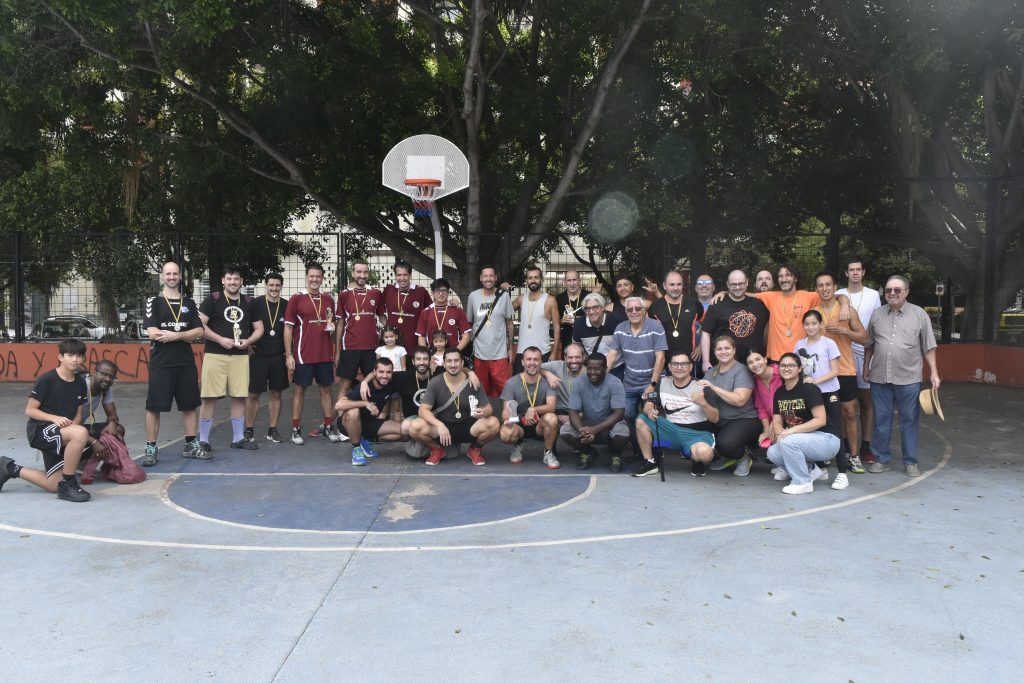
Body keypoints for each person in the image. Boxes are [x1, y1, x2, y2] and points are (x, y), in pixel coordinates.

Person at [863, 275, 940, 478]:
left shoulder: (920, 315)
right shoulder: (877, 315)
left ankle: (910, 462)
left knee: (909, 421)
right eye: (888, 290)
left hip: (909, 379)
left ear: (906, 291)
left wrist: (934, 372)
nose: (892, 294)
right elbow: (869, 345)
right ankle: (881, 459)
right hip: (879, 377)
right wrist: (865, 367)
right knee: (881, 421)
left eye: (897, 290)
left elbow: (929, 346)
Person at [1, 339, 92, 502]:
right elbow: (30, 410)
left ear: (83, 359)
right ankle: (69, 484)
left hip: (63, 432)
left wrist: (73, 431)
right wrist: (55, 419)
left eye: (79, 356)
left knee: (53, 485)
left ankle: (9, 468)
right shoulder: (47, 379)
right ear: (60, 357)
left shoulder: (80, 382)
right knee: (80, 433)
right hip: (41, 430)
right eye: (70, 355)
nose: (74, 360)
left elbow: (78, 414)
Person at [143, 261, 206, 466]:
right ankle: (151, 448)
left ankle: (191, 444)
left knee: (189, 405)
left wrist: (175, 336)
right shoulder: (154, 302)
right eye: (168, 274)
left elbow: (199, 332)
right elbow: (152, 332)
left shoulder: (189, 303)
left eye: (175, 273)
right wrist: (184, 335)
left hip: (185, 362)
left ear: (180, 276)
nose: (171, 277)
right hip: (161, 363)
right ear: (162, 276)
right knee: (154, 407)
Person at [198, 265, 264, 453]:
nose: (233, 282)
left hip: (240, 356)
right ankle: (203, 440)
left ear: (241, 281)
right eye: (229, 278)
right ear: (223, 281)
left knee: (239, 396)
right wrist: (219, 339)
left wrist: (248, 341)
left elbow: (259, 328)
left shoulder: (249, 302)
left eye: (236, 279)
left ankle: (238, 438)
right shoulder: (213, 299)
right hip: (214, 354)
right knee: (209, 397)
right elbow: (200, 326)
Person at [283, 262, 344, 445]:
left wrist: (332, 330)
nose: (315, 279)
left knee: (326, 390)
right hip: (303, 355)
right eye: (312, 276)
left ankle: (327, 426)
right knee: (299, 391)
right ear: (307, 277)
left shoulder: (328, 299)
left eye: (318, 276)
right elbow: (287, 328)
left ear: (322, 278)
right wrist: (289, 355)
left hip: (325, 354)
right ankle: (295, 428)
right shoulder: (296, 299)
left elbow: (330, 326)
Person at [815, 270, 869, 473]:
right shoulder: (814, 312)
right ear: (816, 289)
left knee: (848, 413)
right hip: (823, 373)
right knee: (826, 415)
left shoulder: (847, 310)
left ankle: (854, 456)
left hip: (845, 370)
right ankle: (827, 454)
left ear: (835, 287)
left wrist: (845, 331)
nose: (825, 288)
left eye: (828, 284)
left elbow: (866, 338)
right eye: (820, 285)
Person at [767, 352, 842, 494]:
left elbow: (821, 420)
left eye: (791, 365)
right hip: (800, 439)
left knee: (788, 442)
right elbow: (777, 421)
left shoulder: (808, 389)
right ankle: (812, 471)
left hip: (827, 440)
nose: (786, 368)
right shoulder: (779, 392)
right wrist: (780, 435)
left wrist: (791, 431)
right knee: (773, 453)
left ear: (800, 369)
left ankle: (802, 482)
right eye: (783, 365)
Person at [409, 348, 500, 466]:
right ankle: (437, 449)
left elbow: (488, 408)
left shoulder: (473, 381)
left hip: (469, 425)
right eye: (449, 361)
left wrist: (484, 412)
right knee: (415, 427)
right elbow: (423, 410)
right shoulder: (436, 382)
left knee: (494, 423)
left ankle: (475, 449)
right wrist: (439, 425)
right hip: (443, 426)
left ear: (462, 363)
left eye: (456, 361)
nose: (453, 365)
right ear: (444, 363)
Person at [632, 352, 716, 477]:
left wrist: (703, 403)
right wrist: (648, 406)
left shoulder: (701, 386)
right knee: (641, 420)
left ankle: (696, 459)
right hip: (670, 433)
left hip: (696, 435)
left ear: (691, 367)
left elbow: (715, 418)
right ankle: (649, 462)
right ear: (670, 367)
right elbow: (649, 401)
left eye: (684, 364)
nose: (679, 367)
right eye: (675, 364)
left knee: (704, 454)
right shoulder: (663, 383)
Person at [605, 296, 668, 456]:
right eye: (629, 309)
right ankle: (639, 449)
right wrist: (601, 376)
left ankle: (655, 450)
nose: (634, 312)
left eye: (637, 308)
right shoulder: (620, 328)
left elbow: (661, 358)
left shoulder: (655, 327)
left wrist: (652, 384)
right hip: (630, 382)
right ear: (625, 312)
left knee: (652, 413)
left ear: (644, 310)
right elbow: (611, 356)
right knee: (626, 415)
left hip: (652, 381)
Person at [794, 309, 847, 489]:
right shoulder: (799, 344)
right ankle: (821, 468)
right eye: (807, 324)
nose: (810, 327)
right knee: (815, 430)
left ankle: (842, 472)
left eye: (814, 323)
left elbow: (835, 371)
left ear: (821, 325)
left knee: (834, 430)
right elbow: (797, 370)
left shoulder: (829, 343)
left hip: (828, 392)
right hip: (810, 394)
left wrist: (816, 381)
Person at [836, 256, 883, 463]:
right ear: (846, 273)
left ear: (863, 273)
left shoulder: (873, 295)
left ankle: (866, 445)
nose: (855, 273)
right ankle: (845, 443)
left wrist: (873, 350)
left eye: (858, 269)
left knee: (866, 400)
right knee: (844, 403)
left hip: (864, 349)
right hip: (842, 351)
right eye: (851, 269)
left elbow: (876, 325)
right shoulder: (838, 294)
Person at [752, 263, 849, 361]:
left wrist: (845, 305)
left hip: (800, 358)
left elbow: (836, 295)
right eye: (780, 276)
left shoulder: (808, 296)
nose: (784, 279)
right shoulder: (770, 297)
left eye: (788, 275)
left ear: (796, 278)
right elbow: (746, 295)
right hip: (775, 359)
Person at [698, 335, 761, 477]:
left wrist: (713, 387)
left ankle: (743, 457)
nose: (723, 351)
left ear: (734, 350)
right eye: (719, 349)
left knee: (725, 444)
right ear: (714, 352)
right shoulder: (710, 372)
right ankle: (729, 456)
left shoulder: (741, 370)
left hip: (744, 419)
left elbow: (740, 400)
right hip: (719, 421)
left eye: (727, 348)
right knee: (698, 435)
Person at [559, 352, 630, 472]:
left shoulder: (615, 382)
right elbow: (573, 412)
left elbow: (619, 413)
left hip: (608, 426)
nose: (592, 372)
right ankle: (587, 452)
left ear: (605, 368)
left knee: (622, 433)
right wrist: (581, 430)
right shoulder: (578, 383)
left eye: (597, 369)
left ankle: (615, 454)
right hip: (586, 425)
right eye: (590, 368)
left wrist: (595, 430)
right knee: (565, 431)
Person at [360, 347, 432, 458]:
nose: (421, 362)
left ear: (430, 361)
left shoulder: (438, 373)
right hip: (413, 422)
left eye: (425, 359)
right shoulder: (403, 377)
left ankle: (434, 445)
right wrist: (364, 382)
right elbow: (381, 374)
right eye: (418, 359)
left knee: (451, 454)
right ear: (413, 361)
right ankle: (371, 438)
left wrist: (470, 374)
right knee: (416, 453)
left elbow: (460, 370)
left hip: (434, 419)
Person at [336, 358, 406, 466]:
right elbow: (339, 405)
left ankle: (367, 439)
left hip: (370, 424)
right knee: (352, 412)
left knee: (406, 432)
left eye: (388, 372)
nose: (385, 375)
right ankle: (356, 448)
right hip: (350, 424)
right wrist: (365, 403)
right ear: (374, 372)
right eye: (381, 372)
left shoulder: (391, 382)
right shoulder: (364, 388)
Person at [245, 272, 289, 444]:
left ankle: (273, 430)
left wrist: (289, 352)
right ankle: (249, 430)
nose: (274, 288)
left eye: (277, 285)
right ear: (265, 285)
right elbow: (244, 324)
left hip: (278, 356)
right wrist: (246, 342)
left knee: (276, 394)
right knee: (253, 394)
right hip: (258, 355)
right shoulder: (255, 304)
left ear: (281, 286)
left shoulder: (286, 305)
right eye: (271, 285)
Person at [499, 346, 560, 468]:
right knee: (505, 433)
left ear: (541, 362)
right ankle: (518, 444)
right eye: (529, 359)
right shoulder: (512, 382)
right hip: (519, 424)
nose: (532, 363)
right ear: (522, 362)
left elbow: (551, 407)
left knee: (552, 418)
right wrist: (509, 420)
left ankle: (548, 452)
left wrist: (533, 409)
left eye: (536, 359)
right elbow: (506, 410)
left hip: (539, 424)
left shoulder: (548, 381)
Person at [700, 270, 769, 375]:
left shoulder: (760, 305)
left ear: (746, 282)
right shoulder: (717, 305)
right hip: (723, 364)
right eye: (733, 284)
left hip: (753, 365)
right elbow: (705, 333)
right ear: (728, 285)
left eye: (740, 283)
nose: (737, 287)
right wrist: (705, 361)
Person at [336, 259, 385, 398]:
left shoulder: (375, 293)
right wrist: (338, 350)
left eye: (365, 272)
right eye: (359, 272)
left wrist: (394, 328)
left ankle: (371, 417)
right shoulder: (344, 294)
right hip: (350, 346)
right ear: (353, 273)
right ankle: (341, 419)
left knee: (374, 383)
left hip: (371, 347)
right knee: (345, 385)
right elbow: (340, 322)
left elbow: (381, 316)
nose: (362, 275)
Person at [466, 265, 515, 397]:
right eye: (485, 276)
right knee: (480, 390)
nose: (488, 279)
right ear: (481, 278)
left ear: (496, 278)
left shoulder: (503, 296)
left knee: (504, 390)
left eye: (491, 276)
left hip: (499, 353)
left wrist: (510, 348)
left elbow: (509, 324)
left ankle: (503, 416)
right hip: (479, 354)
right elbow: (469, 324)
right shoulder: (473, 296)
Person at [512, 266, 561, 371]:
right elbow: (504, 310)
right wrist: (502, 292)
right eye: (530, 278)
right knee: (520, 385)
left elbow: (557, 327)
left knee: (543, 385)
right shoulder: (521, 299)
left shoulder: (550, 300)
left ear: (542, 280)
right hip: (522, 352)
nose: (533, 280)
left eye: (536, 277)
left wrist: (555, 352)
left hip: (542, 351)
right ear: (526, 280)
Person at [648, 270, 702, 363]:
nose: (676, 288)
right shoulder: (655, 307)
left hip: (689, 360)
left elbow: (707, 326)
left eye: (679, 284)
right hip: (664, 361)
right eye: (672, 285)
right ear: (665, 286)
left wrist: (700, 346)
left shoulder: (694, 303)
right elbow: (649, 334)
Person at [382, 260, 432, 358]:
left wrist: (451, 302)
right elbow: (377, 307)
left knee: (410, 372)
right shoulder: (389, 289)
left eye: (405, 275)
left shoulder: (420, 291)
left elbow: (432, 312)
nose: (402, 278)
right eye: (399, 275)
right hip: (392, 344)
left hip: (413, 343)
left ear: (410, 275)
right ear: (395, 275)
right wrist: (388, 325)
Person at [572, 293, 626, 377]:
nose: (591, 311)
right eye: (588, 308)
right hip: (592, 369)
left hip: (617, 368)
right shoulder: (579, 324)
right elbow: (577, 347)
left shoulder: (617, 321)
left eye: (595, 307)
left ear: (603, 307)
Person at [416, 278, 471, 354]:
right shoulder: (425, 312)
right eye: (437, 291)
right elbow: (421, 337)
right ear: (432, 293)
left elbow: (466, 336)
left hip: (453, 355)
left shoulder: (458, 311)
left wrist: (455, 352)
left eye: (444, 290)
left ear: (448, 292)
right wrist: (428, 355)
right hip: (433, 355)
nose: (441, 293)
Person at [541, 342, 587, 425]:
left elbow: (595, 408)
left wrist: (572, 417)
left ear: (584, 357)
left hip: (580, 413)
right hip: (559, 412)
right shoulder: (557, 366)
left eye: (577, 357)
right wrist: (547, 374)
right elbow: (534, 367)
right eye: (570, 357)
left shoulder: (590, 374)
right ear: (565, 358)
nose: (574, 361)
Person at [745, 348, 781, 451]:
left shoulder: (780, 372)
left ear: (765, 359)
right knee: (767, 439)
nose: (755, 364)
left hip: (789, 416)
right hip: (772, 421)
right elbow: (760, 407)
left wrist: (775, 422)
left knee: (776, 435)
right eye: (750, 362)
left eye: (758, 359)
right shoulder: (755, 380)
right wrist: (766, 430)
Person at [80, 359, 122, 440]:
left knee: (118, 430)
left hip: (80, 428)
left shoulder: (106, 390)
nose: (107, 379)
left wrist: (112, 423)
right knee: (94, 442)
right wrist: (93, 441)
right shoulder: (82, 385)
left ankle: (89, 453)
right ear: (95, 372)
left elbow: (113, 415)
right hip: (65, 428)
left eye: (111, 377)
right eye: (104, 374)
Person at [555, 269, 590, 353]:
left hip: (587, 339)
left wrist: (581, 321)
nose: (572, 283)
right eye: (569, 280)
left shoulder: (589, 296)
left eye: (574, 280)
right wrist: (562, 320)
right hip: (567, 339)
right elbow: (554, 321)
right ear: (565, 282)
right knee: (568, 364)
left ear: (579, 281)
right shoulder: (559, 298)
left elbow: (597, 317)